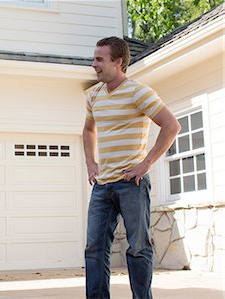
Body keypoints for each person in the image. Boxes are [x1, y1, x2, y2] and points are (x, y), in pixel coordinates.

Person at [82, 36, 181, 299]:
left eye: (99, 59)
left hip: (131, 184)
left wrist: (145, 164)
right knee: (94, 248)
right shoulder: (94, 95)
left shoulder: (139, 92)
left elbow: (171, 126)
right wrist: (90, 162)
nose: (94, 64)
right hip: (102, 186)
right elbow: (88, 129)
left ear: (118, 62)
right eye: (94, 58)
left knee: (138, 247)